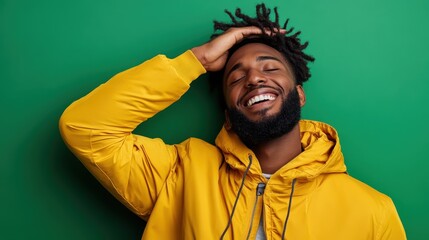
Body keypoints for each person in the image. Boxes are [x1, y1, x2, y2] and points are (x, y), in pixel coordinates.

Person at [59, 4, 406, 240]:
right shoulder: (180, 174)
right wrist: (195, 61)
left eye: (270, 68)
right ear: (228, 111)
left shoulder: (373, 212)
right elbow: (85, 126)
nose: (254, 79)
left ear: (299, 94)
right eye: (236, 78)